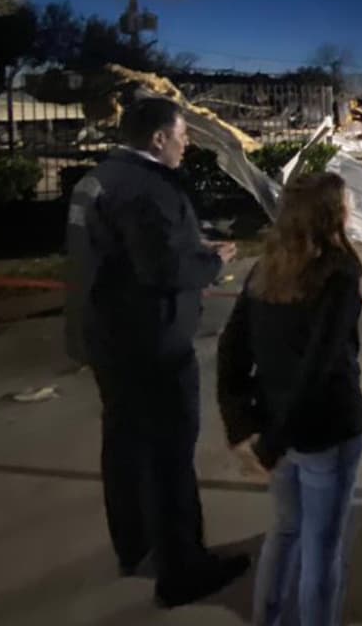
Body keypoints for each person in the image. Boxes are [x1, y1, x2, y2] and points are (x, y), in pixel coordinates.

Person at [64, 97, 248, 606]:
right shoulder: (150, 189)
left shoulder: (98, 178)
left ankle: (136, 545)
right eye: (183, 134)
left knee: (124, 446)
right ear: (158, 138)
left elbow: (121, 254)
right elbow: (163, 270)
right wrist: (211, 265)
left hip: (107, 335)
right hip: (153, 344)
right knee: (170, 455)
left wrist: (193, 247)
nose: (187, 143)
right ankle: (183, 569)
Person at [217, 172, 362, 626]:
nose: (354, 206)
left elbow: (231, 349)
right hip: (324, 429)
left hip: (275, 425)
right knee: (322, 547)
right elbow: (319, 369)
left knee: (285, 531)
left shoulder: (265, 269)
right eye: (348, 201)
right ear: (331, 214)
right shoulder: (339, 274)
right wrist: (269, 441)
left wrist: (245, 428)